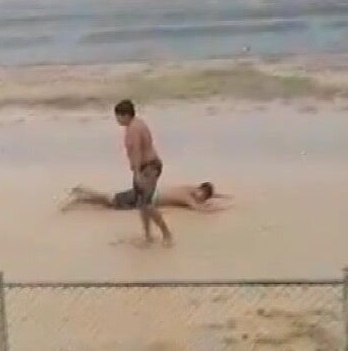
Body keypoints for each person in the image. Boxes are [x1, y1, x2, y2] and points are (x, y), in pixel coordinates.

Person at [114, 99, 173, 247]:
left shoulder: (134, 128)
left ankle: (167, 234)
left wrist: (137, 173)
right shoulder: (136, 124)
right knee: (142, 204)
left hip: (148, 168)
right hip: (146, 167)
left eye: (118, 117)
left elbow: (137, 151)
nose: (117, 120)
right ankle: (147, 236)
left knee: (147, 204)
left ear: (126, 115)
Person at [61, 182, 232, 212]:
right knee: (110, 202)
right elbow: (199, 209)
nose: (201, 199)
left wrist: (221, 196)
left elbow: (208, 193)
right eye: (203, 196)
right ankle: (82, 193)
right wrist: (221, 209)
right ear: (200, 190)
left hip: (144, 193)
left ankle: (82, 195)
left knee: (109, 202)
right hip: (143, 197)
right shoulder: (186, 195)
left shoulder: (191, 187)